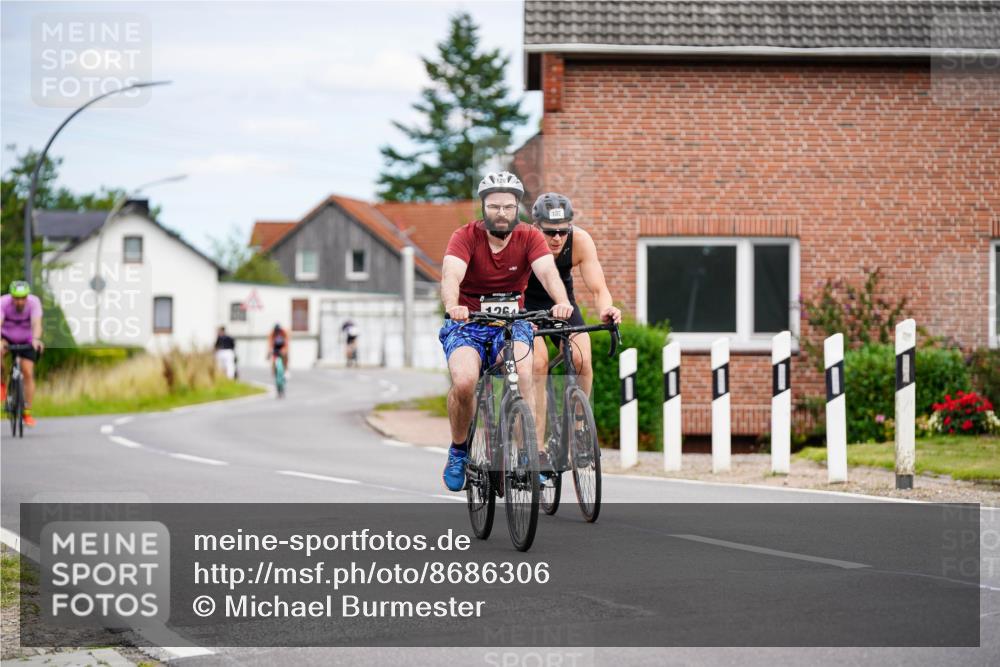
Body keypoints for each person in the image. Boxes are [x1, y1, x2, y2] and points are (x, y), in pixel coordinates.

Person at [438, 171, 574, 492]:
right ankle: (459, 450)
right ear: (484, 208)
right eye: (495, 206)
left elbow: (547, 272)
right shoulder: (465, 236)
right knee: (465, 381)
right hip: (468, 324)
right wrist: (453, 304)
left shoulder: (530, 236)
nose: (502, 213)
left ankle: (527, 452)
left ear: (518, 209)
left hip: (511, 325)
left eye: (509, 207)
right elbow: (450, 275)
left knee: (523, 374)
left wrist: (562, 301)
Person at [524, 193, 622, 447]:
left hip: (563, 306)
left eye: (562, 231)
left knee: (581, 358)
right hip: (528, 309)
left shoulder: (580, 241)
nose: (557, 238)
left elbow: (598, 288)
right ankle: (537, 446)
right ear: (536, 227)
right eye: (549, 232)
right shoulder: (522, 241)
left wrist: (607, 309)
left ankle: (577, 426)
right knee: (538, 364)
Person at [1, 280, 44, 427]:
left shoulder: (34, 302)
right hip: (6, 337)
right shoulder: (3, 302)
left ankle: (27, 413)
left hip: (27, 339)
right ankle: (1, 384)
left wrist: (36, 339)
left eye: (23, 297)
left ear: (27, 296)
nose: (20, 301)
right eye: (16, 298)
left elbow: (36, 323)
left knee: (27, 372)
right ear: (11, 296)